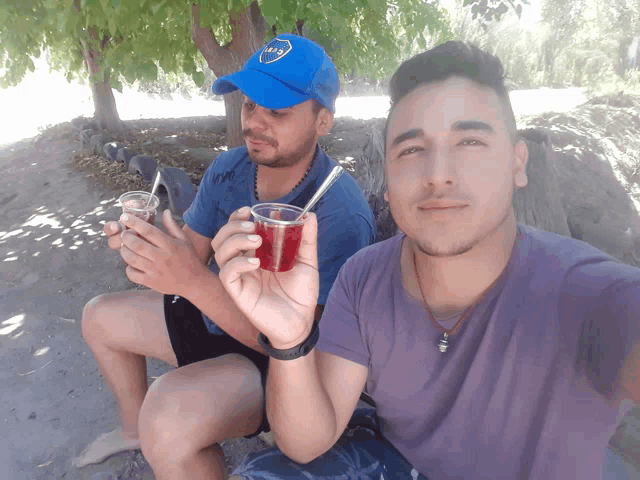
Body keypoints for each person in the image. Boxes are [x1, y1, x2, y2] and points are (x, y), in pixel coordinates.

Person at [215, 41, 640, 479]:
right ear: (388, 182)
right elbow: (306, 442)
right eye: (412, 149)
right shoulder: (364, 278)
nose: (438, 173)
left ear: (518, 163)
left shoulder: (588, 294)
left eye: (470, 141)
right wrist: (289, 341)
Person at [73, 33, 375, 480]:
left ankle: (164, 436)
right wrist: (148, 247)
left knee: (168, 421)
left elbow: (299, 346)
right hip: (210, 310)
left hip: (280, 366)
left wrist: (192, 281)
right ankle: (131, 431)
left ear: (323, 121)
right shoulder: (229, 168)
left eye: (277, 111)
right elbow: (189, 257)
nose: (254, 122)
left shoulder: (341, 215)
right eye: (250, 105)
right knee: (98, 316)